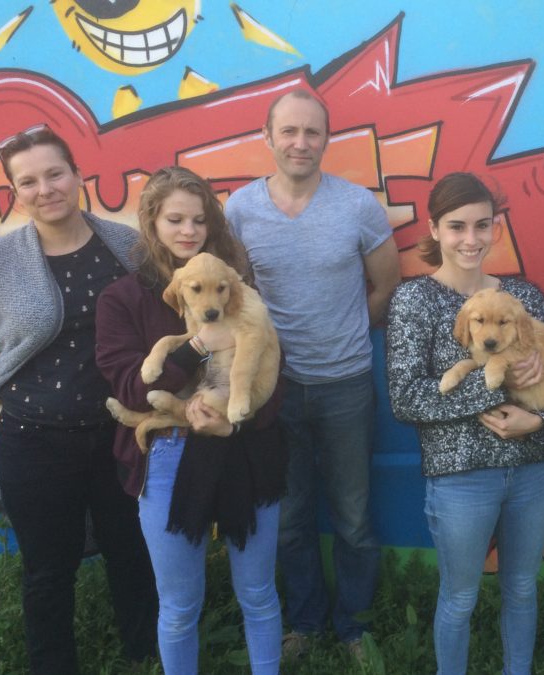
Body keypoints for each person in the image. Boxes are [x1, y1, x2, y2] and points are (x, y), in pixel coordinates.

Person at [0, 124, 157, 674]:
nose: (46, 189)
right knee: (47, 569)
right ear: (15, 193)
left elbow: (157, 323)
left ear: (77, 174)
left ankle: (146, 656)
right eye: (28, 181)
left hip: (120, 435)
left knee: (133, 553)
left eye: (54, 173)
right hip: (34, 440)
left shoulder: (128, 248)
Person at [224, 89, 401, 656]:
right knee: (291, 516)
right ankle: (304, 622)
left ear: (328, 138)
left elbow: (386, 284)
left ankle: (355, 626)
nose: (301, 143)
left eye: (313, 133)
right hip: (272, 390)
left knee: (352, 516)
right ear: (268, 137)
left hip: (346, 384)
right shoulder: (240, 210)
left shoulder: (357, 206)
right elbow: (235, 295)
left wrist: (347, 333)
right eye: (290, 132)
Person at [94, 166, 289, 673]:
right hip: (168, 455)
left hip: (244, 448)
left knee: (259, 593)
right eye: (174, 219)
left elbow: (273, 375)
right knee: (179, 605)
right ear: (152, 223)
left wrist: (235, 423)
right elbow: (134, 388)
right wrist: (200, 344)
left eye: (199, 220)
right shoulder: (125, 299)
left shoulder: (234, 286)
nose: (188, 231)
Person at [386, 172, 544, 674]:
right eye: (456, 227)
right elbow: (406, 399)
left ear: (496, 227)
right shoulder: (415, 302)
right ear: (433, 229)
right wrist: (490, 385)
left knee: (521, 588)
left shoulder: (524, 298)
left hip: (532, 471)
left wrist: (538, 423)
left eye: (482, 225)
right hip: (460, 477)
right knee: (459, 596)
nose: (470, 239)